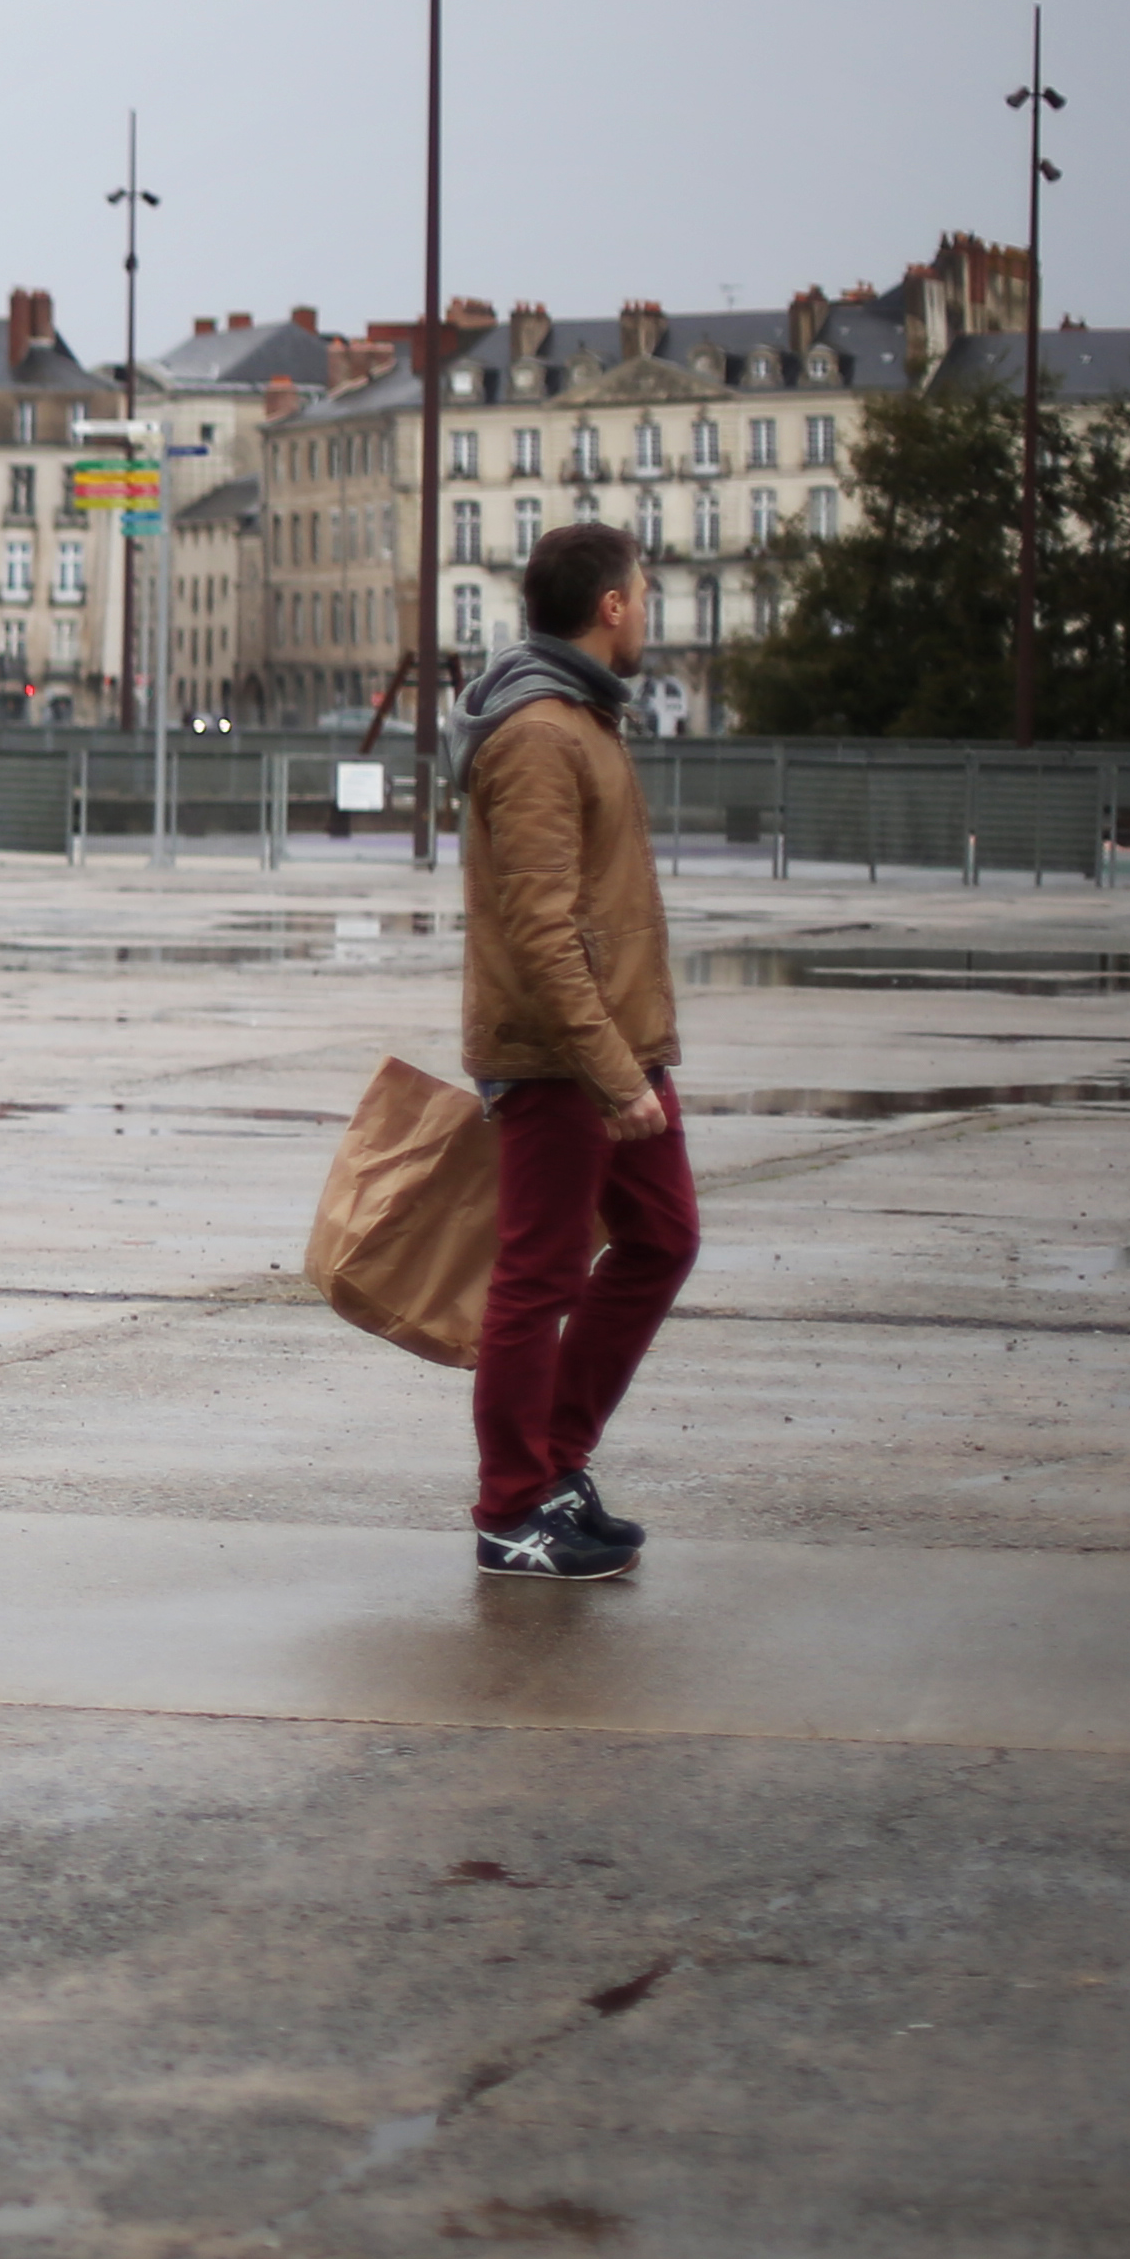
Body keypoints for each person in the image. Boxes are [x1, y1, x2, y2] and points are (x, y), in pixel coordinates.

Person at [450, 520, 692, 1581]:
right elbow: (543, 929)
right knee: (538, 1276)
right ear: (610, 607)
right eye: (642, 594)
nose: (646, 611)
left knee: (663, 1237)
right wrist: (611, 1070)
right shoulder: (542, 736)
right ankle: (512, 1508)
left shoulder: (585, 721)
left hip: (614, 1043)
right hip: (564, 1056)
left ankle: (554, 1463)